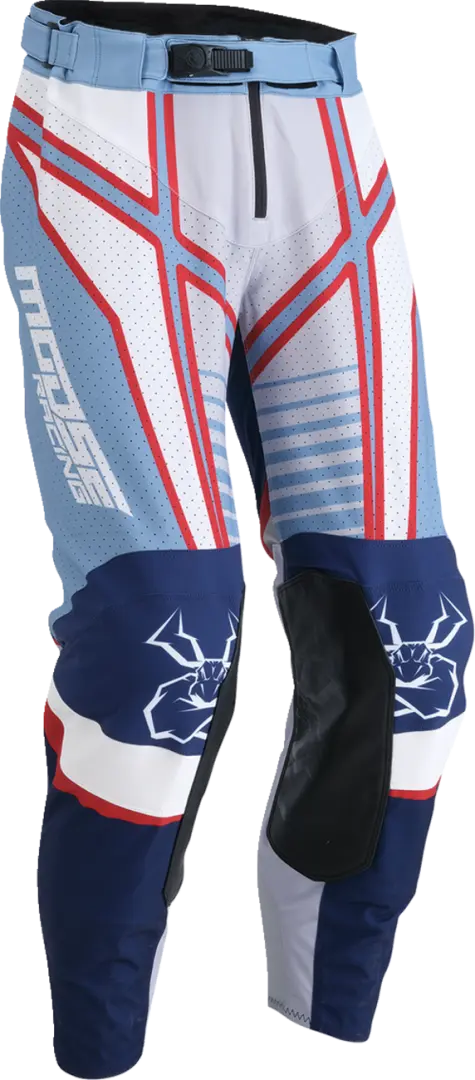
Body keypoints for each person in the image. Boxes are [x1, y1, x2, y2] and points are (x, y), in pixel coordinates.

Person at [2, 3, 472, 1076]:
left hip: (325, 133)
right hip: (107, 136)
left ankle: (325, 1024)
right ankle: (94, 1056)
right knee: (156, 641)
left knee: (415, 636)